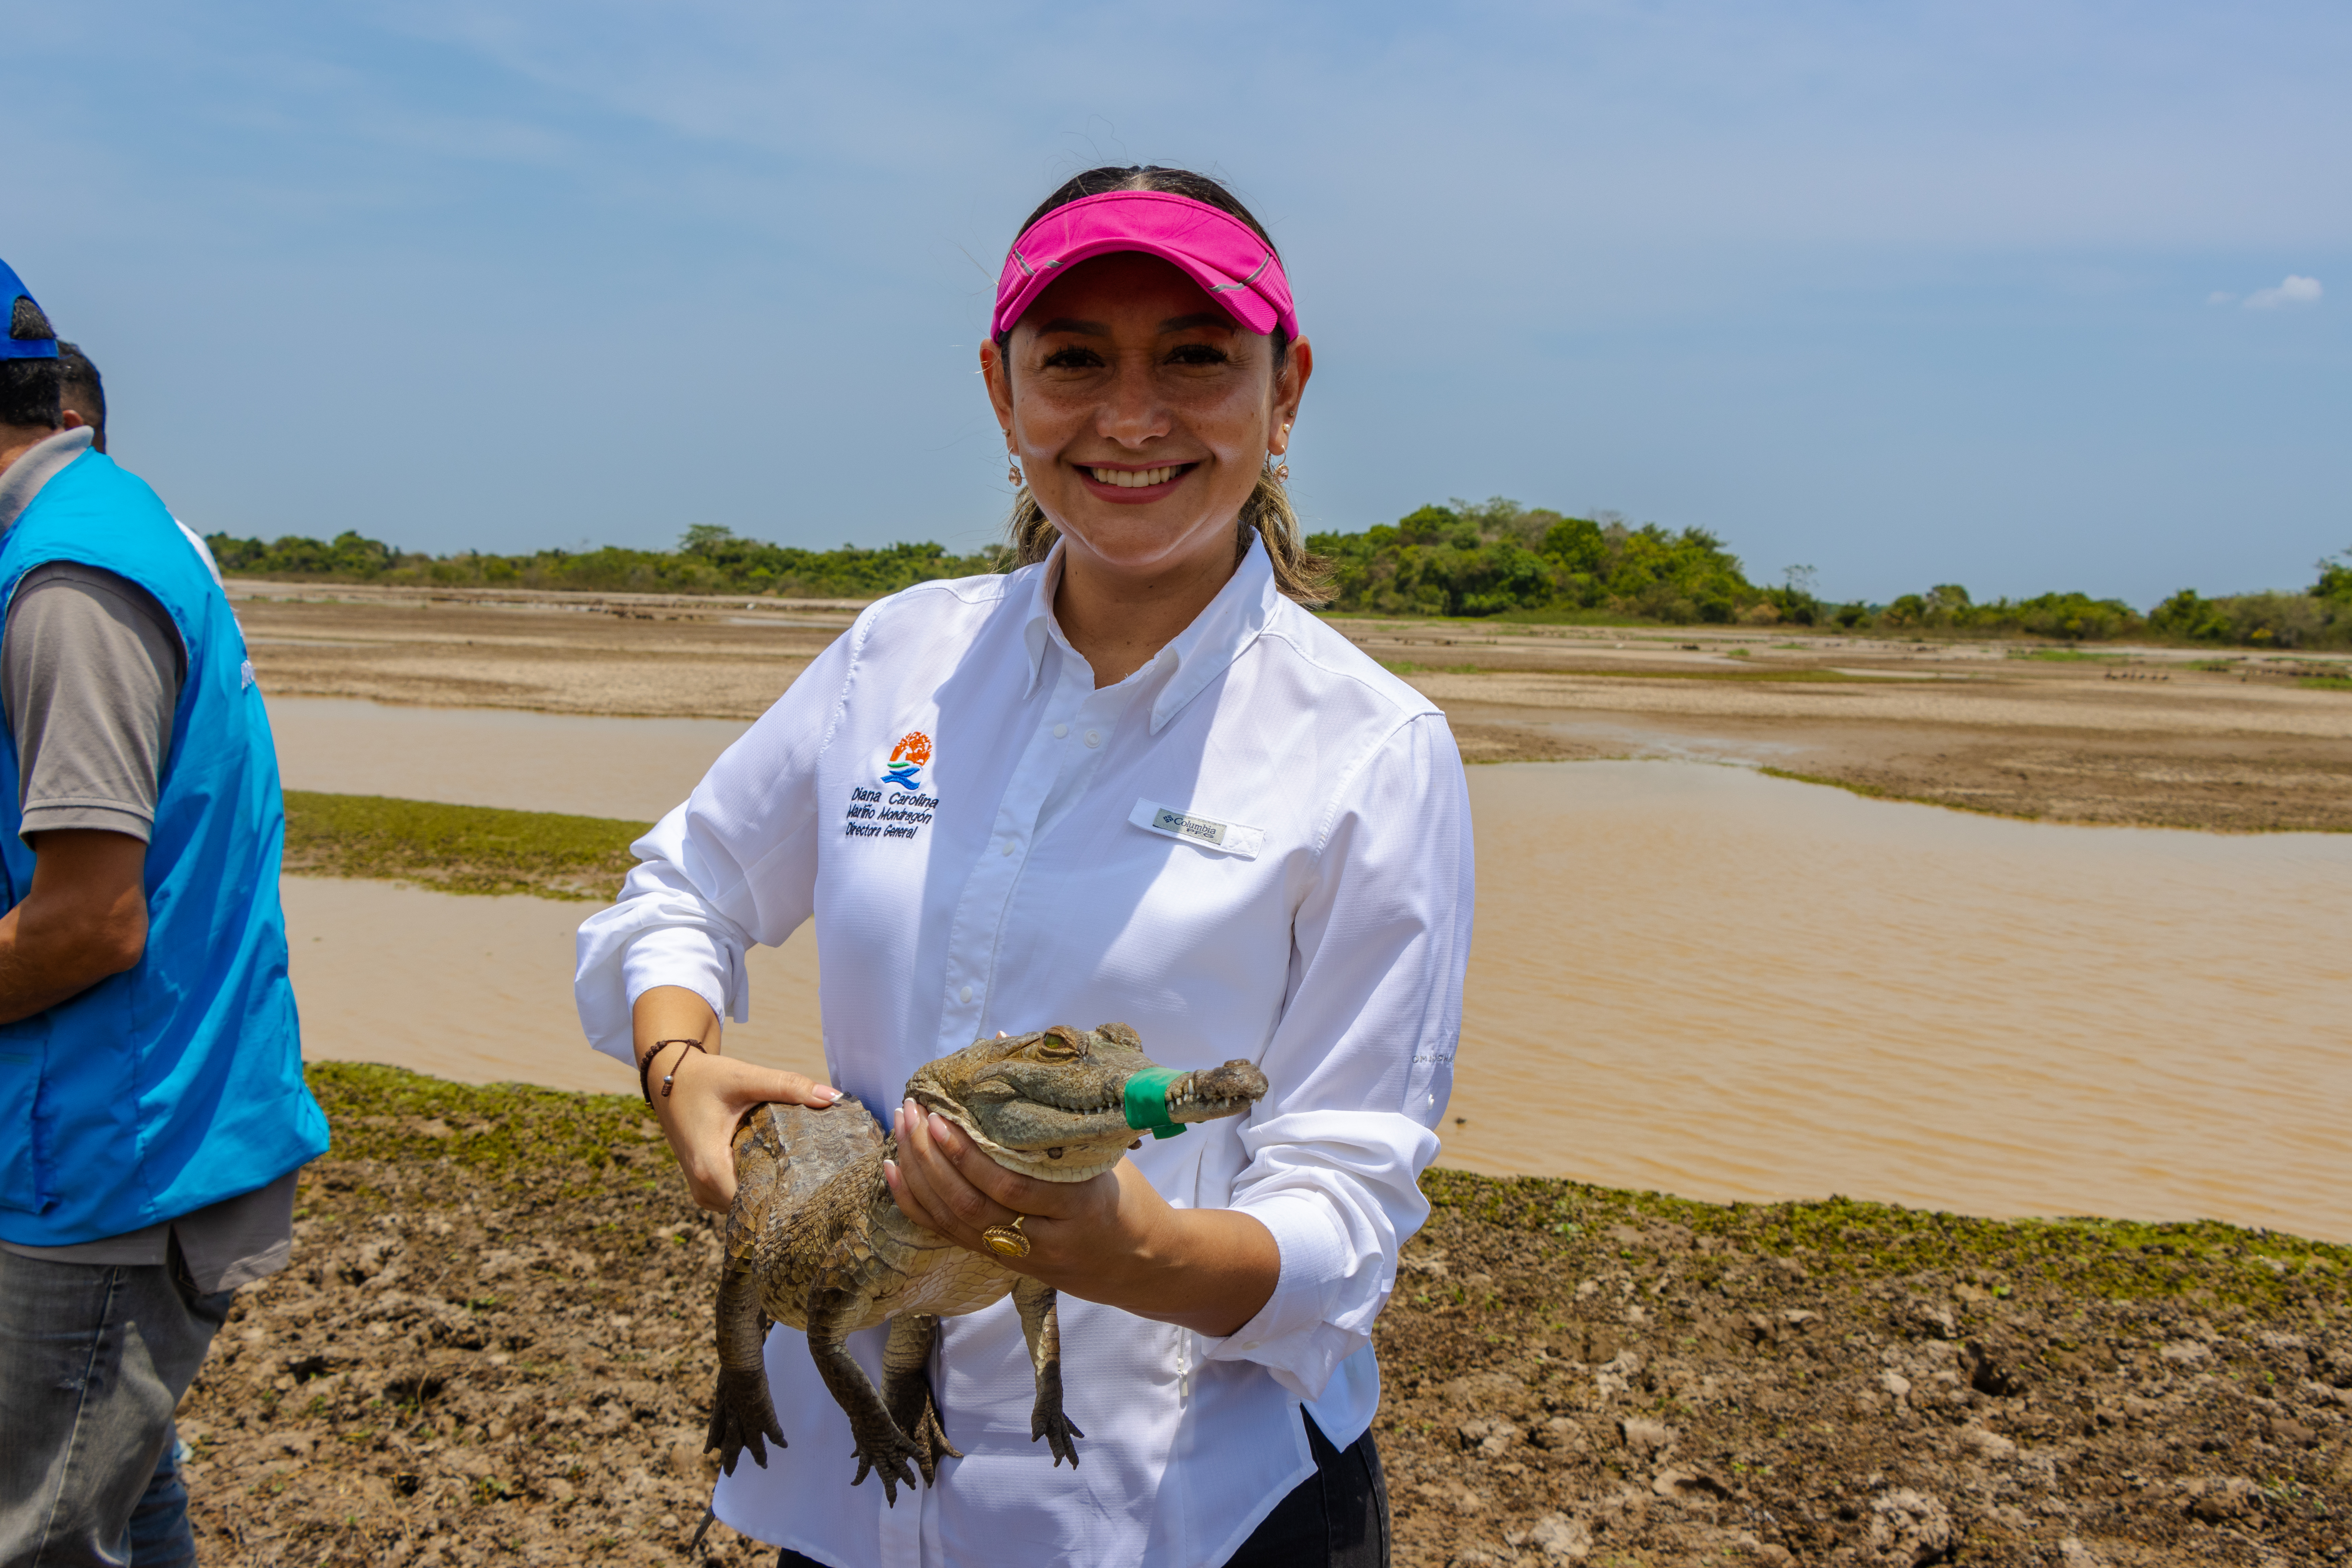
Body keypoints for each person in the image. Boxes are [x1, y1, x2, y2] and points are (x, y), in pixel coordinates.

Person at [575, 166, 1471, 1568]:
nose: (1130, 416)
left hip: (1185, 1513)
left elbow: (1347, 1213)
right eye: (1073, 361)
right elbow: (680, 887)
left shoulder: (1370, 750)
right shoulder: (896, 661)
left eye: (1195, 356)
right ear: (1002, 393)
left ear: (1285, 390)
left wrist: (1124, 1250)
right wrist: (676, 1070)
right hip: (863, 1492)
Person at [0, 260, 329, 1567]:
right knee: (128, 1503)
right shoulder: (92, 532)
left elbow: (91, 922)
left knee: (39, 1533)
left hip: (105, 1169)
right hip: (115, 1133)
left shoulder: (67, 584)